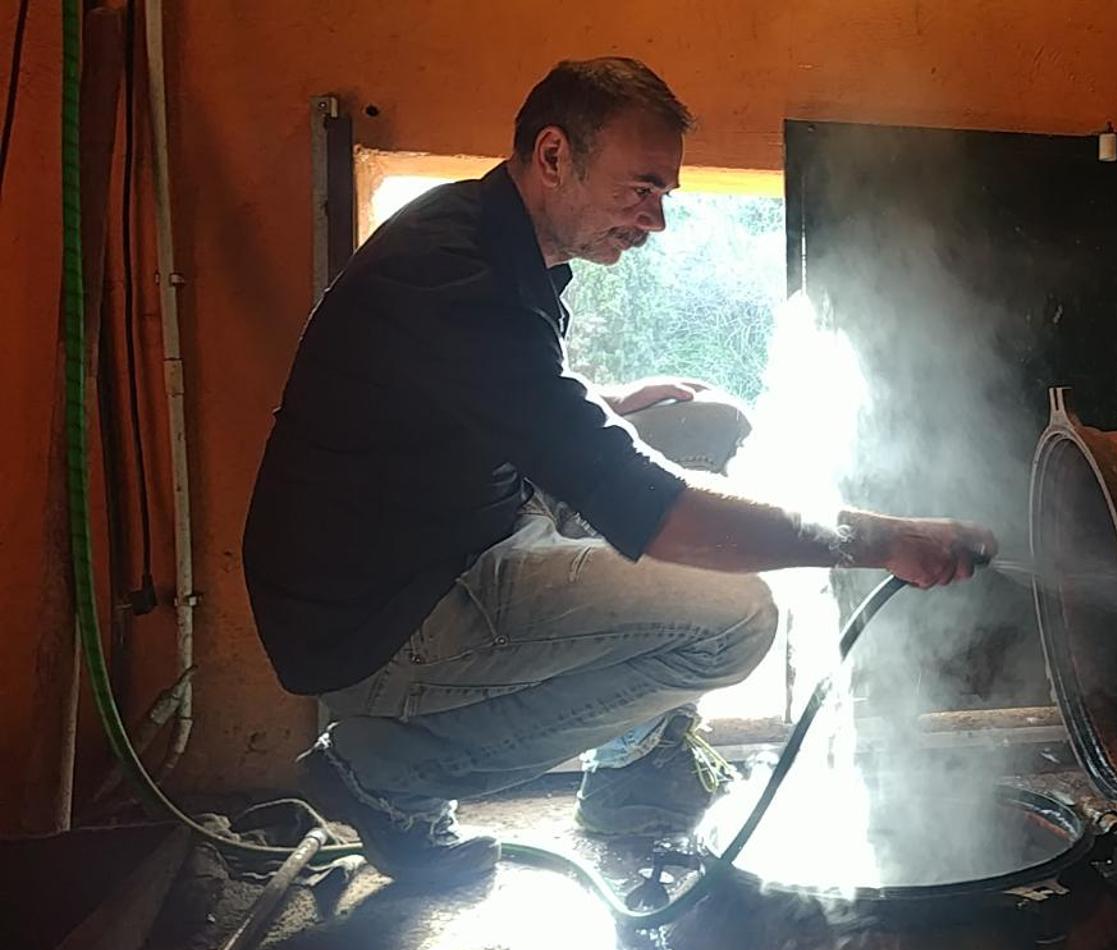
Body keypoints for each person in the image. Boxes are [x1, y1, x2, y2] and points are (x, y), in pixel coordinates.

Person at [242, 57, 995, 887]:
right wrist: (883, 538)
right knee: (736, 619)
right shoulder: (453, 271)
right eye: (641, 189)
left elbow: (481, 391)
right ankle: (389, 776)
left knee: (705, 425)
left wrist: (608, 399)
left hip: (449, 526)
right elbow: (661, 515)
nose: (656, 220)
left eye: (665, 194)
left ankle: (629, 762)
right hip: (384, 611)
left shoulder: (488, 234)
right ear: (555, 155)